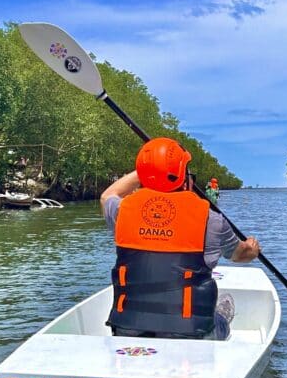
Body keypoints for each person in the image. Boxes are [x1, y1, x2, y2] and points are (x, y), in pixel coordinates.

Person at [100, 138, 261, 340]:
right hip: (190, 334)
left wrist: (148, 171)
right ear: (183, 177)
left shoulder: (121, 211)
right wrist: (252, 249)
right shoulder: (212, 220)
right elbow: (241, 255)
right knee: (225, 303)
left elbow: (108, 195)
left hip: (127, 330)